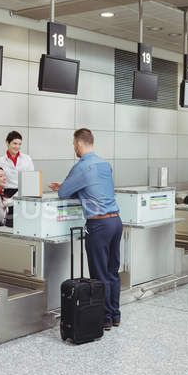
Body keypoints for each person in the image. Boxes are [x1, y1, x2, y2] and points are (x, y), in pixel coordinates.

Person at [49, 128, 122, 331]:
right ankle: (115, 315)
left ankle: (105, 318)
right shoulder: (105, 164)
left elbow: (63, 193)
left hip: (98, 225)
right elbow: (96, 189)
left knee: (99, 274)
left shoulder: (82, 166)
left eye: (74, 145)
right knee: (112, 271)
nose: (74, 148)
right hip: (116, 221)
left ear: (79, 144)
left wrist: (63, 187)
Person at [0, 130, 34, 198]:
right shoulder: (0, 161)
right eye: (15, 143)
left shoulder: (27, 158)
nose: (17, 147)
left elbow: (31, 178)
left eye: (19, 144)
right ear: (7, 143)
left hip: (24, 193)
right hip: (8, 193)